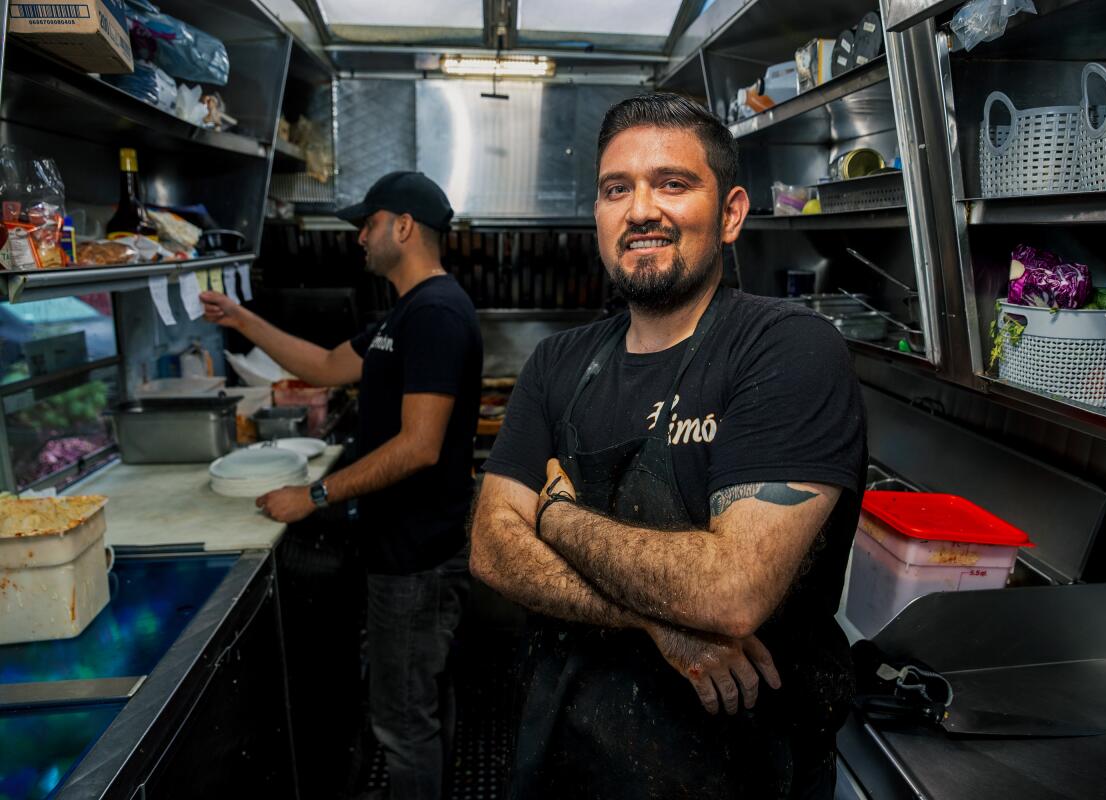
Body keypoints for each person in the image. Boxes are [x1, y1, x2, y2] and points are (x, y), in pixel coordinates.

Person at [470, 93, 866, 799]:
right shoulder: (558, 363)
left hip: (740, 767)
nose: (641, 209)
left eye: (673, 184)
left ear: (732, 213)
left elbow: (730, 589)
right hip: (568, 753)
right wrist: (652, 619)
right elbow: (493, 547)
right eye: (616, 189)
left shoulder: (787, 349)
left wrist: (556, 518)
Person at [201, 171, 482, 800]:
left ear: (403, 227)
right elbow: (325, 366)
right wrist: (242, 319)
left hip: (417, 559)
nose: (360, 237)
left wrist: (316, 494)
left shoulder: (435, 313)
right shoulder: (407, 312)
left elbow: (419, 445)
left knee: (404, 720)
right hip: (404, 550)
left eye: (369, 223)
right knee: (421, 702)